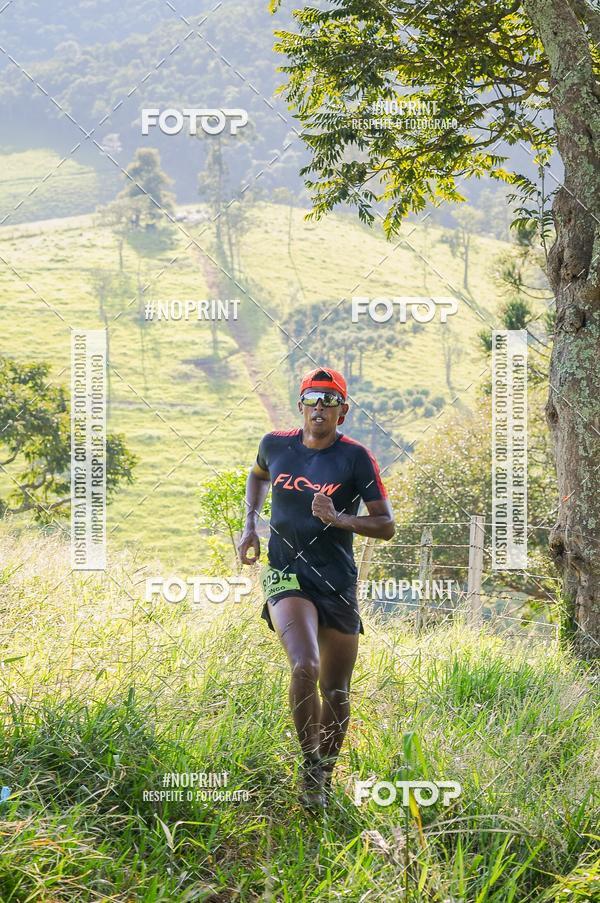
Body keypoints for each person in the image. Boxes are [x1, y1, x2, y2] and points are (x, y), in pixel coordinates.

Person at [238, 367, 395, 810]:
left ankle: (323, 775)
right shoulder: (275, 444)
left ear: (343, 412)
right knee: (304, 664)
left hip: (336, 580)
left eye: (330, 400)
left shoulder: (356, 458)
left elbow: (386, 525)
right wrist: (249, 525)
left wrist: (339, 518)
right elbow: (257, 475)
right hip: (286, 574)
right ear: (301, 406)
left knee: (337, 690)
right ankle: (308, 765)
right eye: (312, 398)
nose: (320, 407)